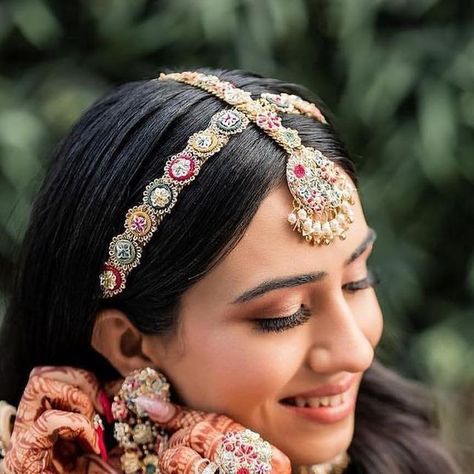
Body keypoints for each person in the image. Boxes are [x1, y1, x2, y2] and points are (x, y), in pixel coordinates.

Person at [0, 68, 462, 473]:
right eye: (283, 314)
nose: (356, 352)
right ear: (131, 344)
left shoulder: (403, 452)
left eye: (358, 280)